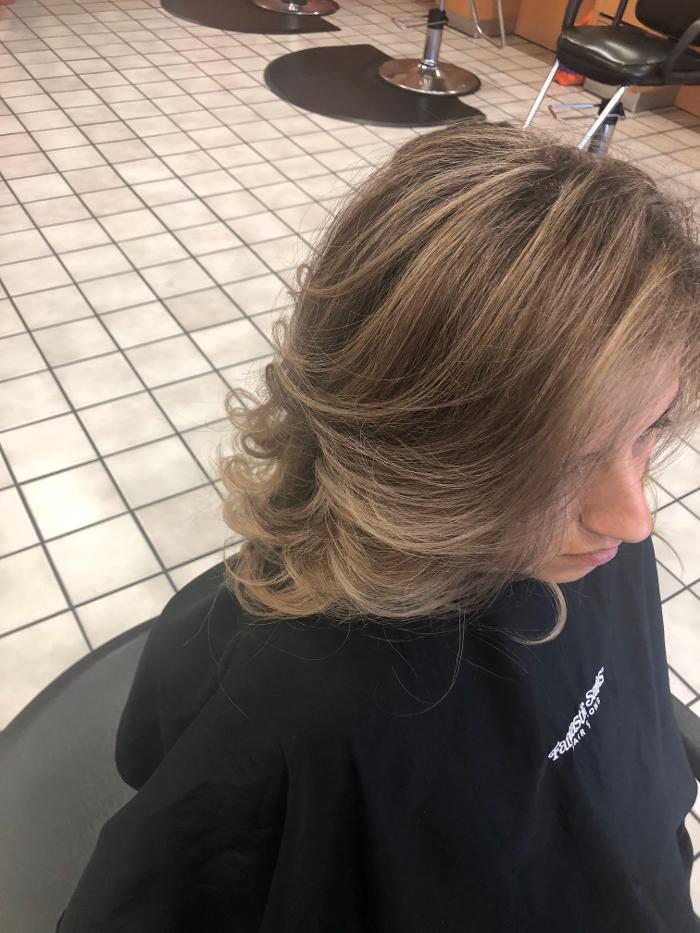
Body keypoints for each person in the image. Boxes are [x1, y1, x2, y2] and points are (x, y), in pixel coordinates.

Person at [57, 121, 700, 932]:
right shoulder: (300, 703)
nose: (634, 520)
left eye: (648, 429)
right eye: (562, 464)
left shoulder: (592, 546)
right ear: (412, 454)